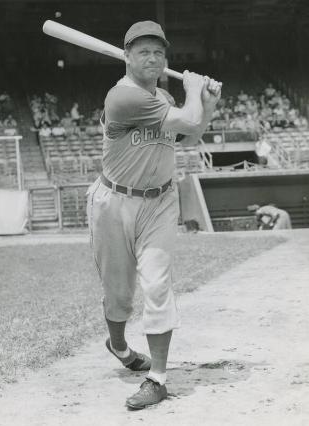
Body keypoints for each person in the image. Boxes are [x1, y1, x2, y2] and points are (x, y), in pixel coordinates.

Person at [86, 20, 221, 410]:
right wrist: (194, 91)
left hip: (160, 201)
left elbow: (190, 135)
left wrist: (206, 106)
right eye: (142, 51)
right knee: (119, 295)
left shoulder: (161, 95)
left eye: (159, 52)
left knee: (158, 286)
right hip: (114, 202)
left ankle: (158, 378)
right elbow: (188, 120)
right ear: (126, 57)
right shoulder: (121, 98)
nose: (153, 57)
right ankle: (120, 346)